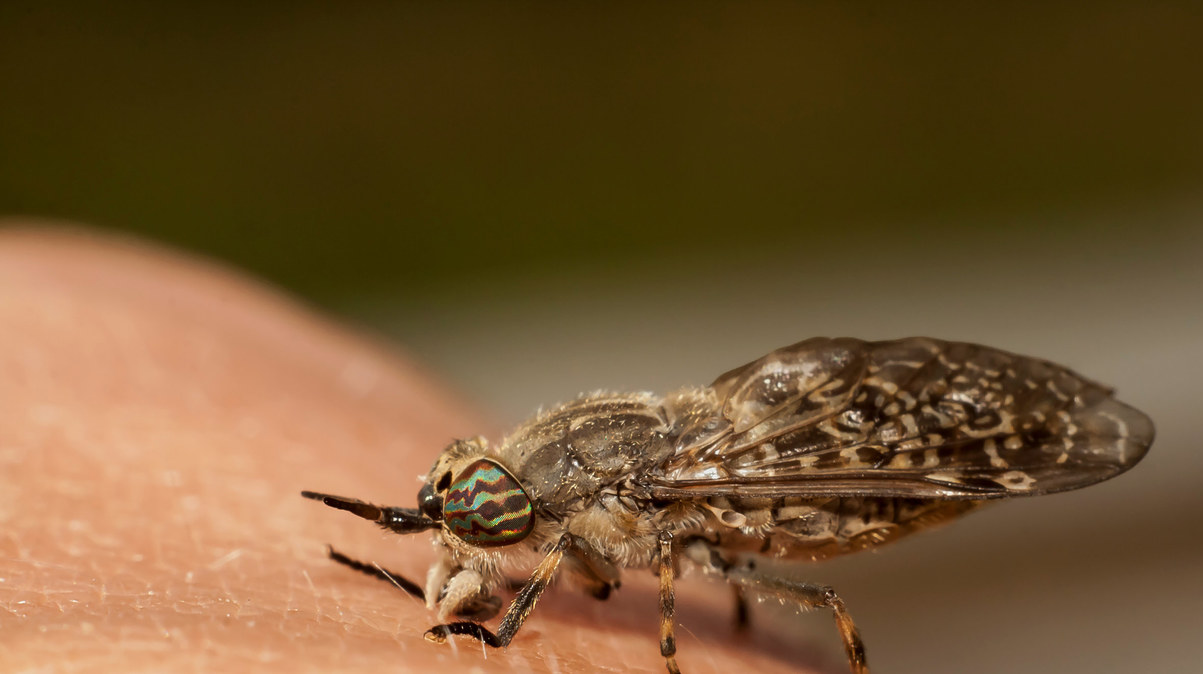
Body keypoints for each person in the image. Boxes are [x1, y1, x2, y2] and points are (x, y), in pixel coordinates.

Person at [0, 224, 821, 673]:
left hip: (746, 481)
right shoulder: (544, 496)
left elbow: (637, 544)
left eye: (479, 507)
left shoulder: (581, 512)